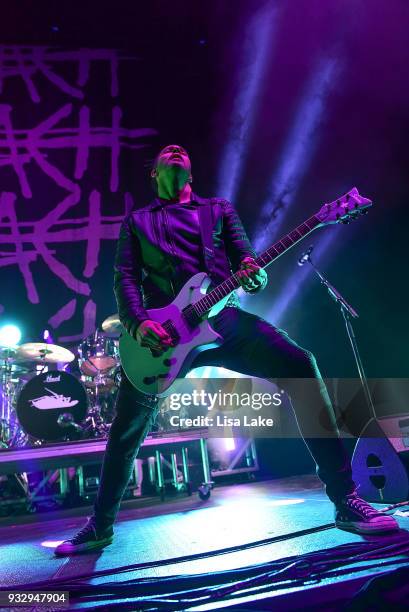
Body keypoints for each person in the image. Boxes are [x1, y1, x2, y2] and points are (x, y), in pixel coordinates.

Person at [55, 145, 398, 555]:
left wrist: (255, 277)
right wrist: (139, 323)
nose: (177, 151)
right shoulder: (138, 221)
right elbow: (125, 278)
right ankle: (99, 526)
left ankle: (346, 501)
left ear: (191, 173)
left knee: (300, 365)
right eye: (168, 152)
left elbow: (247, 260)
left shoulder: (218, 209)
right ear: (156, 173)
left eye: (183, 151)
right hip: (164, 335)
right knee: (127, 426)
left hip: (223, 321)